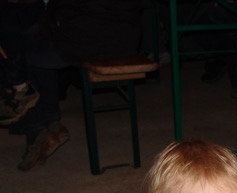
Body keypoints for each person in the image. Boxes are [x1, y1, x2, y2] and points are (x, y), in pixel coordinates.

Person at [15, 0, 143, 171]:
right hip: (124, 35)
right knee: (31, 37)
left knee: (18, 47)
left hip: (92, 37)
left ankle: (38, 127)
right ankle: (49, 121)